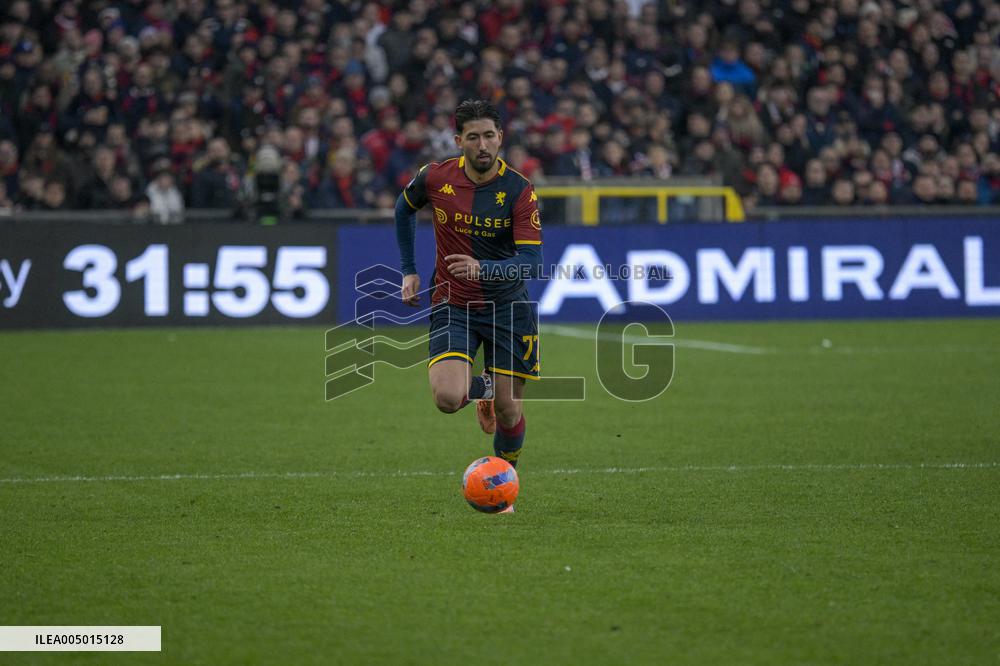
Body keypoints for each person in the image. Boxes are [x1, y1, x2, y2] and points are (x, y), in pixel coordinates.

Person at [395, 100, 543, 512]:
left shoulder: (519, 190)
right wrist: (408, 270)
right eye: (473, 137)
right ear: (459, 140)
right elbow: (403, 209)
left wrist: (484, 269)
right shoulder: (434, 176)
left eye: (489, 136)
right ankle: (484, 390)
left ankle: (502, 486)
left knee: (509, 412)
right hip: (453, 301)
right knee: (447, 398)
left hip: (507, 307)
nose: (482, 145)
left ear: (501, 138)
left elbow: (532, 262)